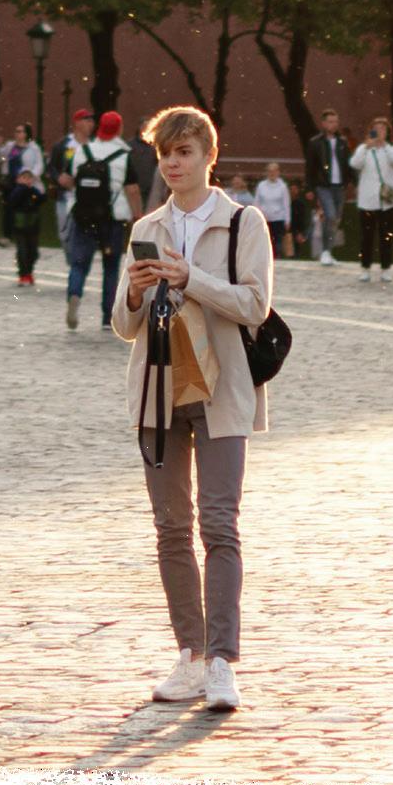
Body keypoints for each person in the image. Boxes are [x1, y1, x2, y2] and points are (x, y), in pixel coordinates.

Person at [112, 104, 270, 717]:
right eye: (165, 155)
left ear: (209, 155)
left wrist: (189, 278)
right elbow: (124, 326)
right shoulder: (146, 225)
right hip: (158, 388)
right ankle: (191, 654)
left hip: (221, 386)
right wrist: (133, 293)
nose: (173, 164)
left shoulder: (242, 222)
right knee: (171, 528)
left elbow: (254, 305)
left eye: (184, 153)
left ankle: (223, 660)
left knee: (219, 524)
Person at [65, 109, 133, 330]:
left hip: (84, 215)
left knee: (79, 263)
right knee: (111, 267)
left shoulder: (83, 150)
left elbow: (68, 178)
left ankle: (74, 294)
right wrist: (138, 214)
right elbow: (132, 189)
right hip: (112, 218)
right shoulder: (124, 154)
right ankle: (107, 316)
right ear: (119, 129)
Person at [349, 116, 393, 283]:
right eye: (376, 129)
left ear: (387, 132)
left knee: (386, 236)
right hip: (368, 201)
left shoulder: (392, 148)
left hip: (386, 201)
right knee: (367, 237)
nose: (380, 132)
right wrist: (367, 146)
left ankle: (386, 268)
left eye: (383, 129)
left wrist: (384, 145)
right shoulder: (364, 149)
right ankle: (365, 268)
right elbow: (354, 164)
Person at [305, 108, 352, 265]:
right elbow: (310, 168)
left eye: (336, 121)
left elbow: (348, 164)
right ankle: (325, 251)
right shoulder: (315, 143)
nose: (334, 124)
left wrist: (352, 182)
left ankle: (329, 252)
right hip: (323, 185)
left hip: (340, 186)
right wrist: (309, 188)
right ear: (324, 123)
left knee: (335, 219)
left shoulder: (343, 142)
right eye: (330, 121)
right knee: (330, 216)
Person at [48, 104, 95, 246]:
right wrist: (59, 178)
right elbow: (51, 167)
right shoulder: (64, 145)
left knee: (85, 232)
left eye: (91, 121)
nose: (91, 124)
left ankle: (79, 257)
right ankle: (71, 256)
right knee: (64, 233)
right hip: (65, 195)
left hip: (87, 196)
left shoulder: (94, 145)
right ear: (77, 123)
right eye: (87, 120)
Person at [0, 124, 42, 246]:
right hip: (10, 181)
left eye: (20, 131)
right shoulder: (10, 146)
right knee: (8, 208)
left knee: (23, 209)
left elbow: (39, 165)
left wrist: (30, 176)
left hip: (25, 183)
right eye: (16, 131)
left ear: (26, 134)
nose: (17, 133)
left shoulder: (34, 148)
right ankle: (7, 236)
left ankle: (24, 236)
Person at [10, 147, 47, 288]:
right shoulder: (17, 191)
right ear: (19, 179)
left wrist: (41, 193)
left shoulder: (34, 191)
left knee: (33, 251)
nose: (27, 180)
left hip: (33, 225)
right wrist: (23, 188)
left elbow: (41, 200)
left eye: (29, 177)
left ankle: (29, 271)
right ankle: (23, 273)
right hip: (20, 225)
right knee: (22, 251)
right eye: (24, 177)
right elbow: (13, 201)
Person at [252, 163, 292, 258]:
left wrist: (287, 220)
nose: (272, 173)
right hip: (265, 219)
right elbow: (256, 202)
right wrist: (255, 217)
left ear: (278, 172)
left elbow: (286, 204)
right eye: (270, 171)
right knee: (266, 241)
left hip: (278, 218)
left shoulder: (283, 186)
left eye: (274, 171)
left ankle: (277, 258)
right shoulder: (261, 186)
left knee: (278, 242)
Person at [289, 181, 319, 261]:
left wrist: (300, 233)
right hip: (290, 232)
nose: (293, 191)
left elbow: (304, 220)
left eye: (295, 189)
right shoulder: (286, 202)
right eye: (291, 189)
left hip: (299, 232)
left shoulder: (301, 204)